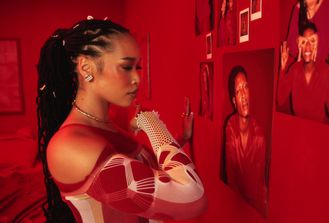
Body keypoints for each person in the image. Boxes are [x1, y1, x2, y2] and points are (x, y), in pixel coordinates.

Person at [36, 18, 207, 223]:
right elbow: (192, 197)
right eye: (126, 67)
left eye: (138, 67)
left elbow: (141, 171)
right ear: (87, 68)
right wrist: (151, 122)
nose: (137, 79)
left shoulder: (104, 126)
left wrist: (181, 139)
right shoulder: (68, 146)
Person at [278, 22, 329, 126]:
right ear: (299, 45)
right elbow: (280, 99)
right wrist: (282, 68)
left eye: (312, 41)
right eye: (304, 42)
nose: (308, 47)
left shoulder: (325, 71)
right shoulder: (294, 69)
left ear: (317, 44)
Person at [221, 66, 267, 216]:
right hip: (235, 207)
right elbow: (231, 177)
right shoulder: (230, 126)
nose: (243, 95)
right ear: (234, 101)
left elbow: (260, 185)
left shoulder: (259, 135)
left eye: (245, 87)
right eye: (238, 90)